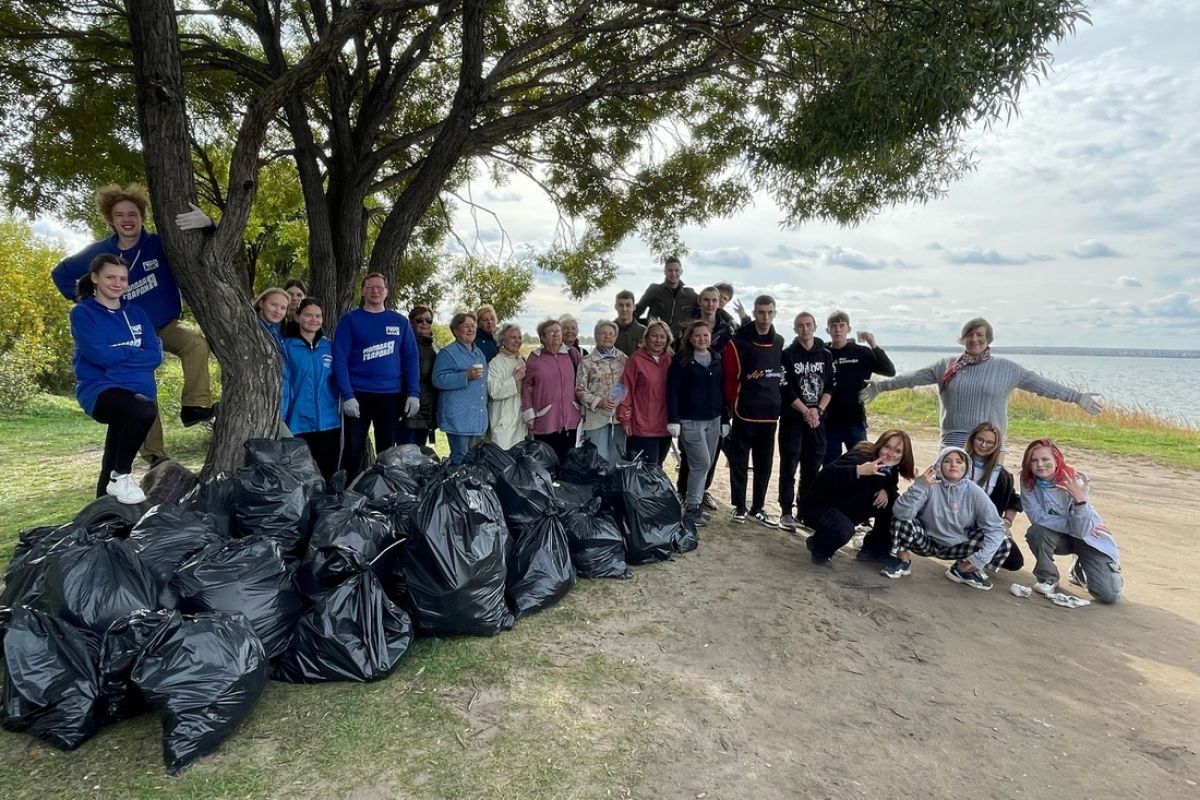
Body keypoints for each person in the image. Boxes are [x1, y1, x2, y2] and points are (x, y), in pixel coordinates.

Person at [51, 184, 215, 464]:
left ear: (142, 216)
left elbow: (208, 251)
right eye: (119, 215)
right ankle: (155, 455)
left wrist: (209, 225)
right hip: (125, 334)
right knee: (142, 389)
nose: (127, 219)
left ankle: (194, 406)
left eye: (133, 213)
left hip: (162, 326)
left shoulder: (158, 244)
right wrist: (89, 303)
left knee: (195, 343)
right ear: (111, 219)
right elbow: (61, 274)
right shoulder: (99, 252)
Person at [861, 317, 1102, 448]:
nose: (975, 339)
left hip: (990, 442)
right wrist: (880, 386)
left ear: (988, 339)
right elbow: (911, 378)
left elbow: (1043, 386)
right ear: (963, 338)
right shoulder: (946, 365)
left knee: (987, 499)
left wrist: (1077, 397)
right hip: (954, 439)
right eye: (970, 334)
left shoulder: (1006, 369)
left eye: (980, 335)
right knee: (951, 497)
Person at [69, 254, 163, 504]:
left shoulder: (138, 314)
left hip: (136, 392)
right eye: (110, 277)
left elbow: (155, 356)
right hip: (100, 390)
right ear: (95, 278)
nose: (117, 283)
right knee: (144, 411)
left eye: (123, 278)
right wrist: (134, 353)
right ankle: (122, 477)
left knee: (112, 456)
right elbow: (98, 355)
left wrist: (118, 356)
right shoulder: (82, 314)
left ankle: (101, 519)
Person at [882, 446, 1013, 591]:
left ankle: (963, 570)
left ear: (967, 466)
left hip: (958, 545)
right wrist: (919, 486)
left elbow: (995, 527)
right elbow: (901, 513)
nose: (953, 465)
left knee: (1003, 542)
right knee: (903, 518)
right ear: (938, 465)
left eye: (959, 461)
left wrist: (981, 559)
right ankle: (902, 560)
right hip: (926, 542)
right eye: (947, 461)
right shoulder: (929, 485)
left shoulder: (975, 492)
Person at [332, 273, 421, 477]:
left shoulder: (399, 322)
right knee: (352, 449)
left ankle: (383, 493)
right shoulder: (350, 320)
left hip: (391, 396)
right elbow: (340, 359)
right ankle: (346, 493)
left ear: (386, 292)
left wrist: (413, 393)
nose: (375, 291)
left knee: (387, 450)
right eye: (370, 287)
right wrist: (347, 395)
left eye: (380, 287)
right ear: (363, 291)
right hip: (358, 395)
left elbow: (410, 359)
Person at [1021, 439, 1122, 604]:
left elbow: (1082, 531)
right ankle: (1048, 578)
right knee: (1036, 531)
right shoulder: (1028, 482)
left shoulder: (1076, 480)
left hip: (1089, 538)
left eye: (1045, 459)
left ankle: (1081, 568)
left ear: (1056, 460)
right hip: (1061, 536)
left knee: (1108, 596)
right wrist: (1072, 525)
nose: (1040, 464)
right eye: (1034, 460)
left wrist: (1080, 501)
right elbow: (1037, 517)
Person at [802, 430, 915, 566]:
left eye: (898, 451)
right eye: (887, 447)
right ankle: (818, 546)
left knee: (894, 503)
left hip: (848, 510)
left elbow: (891, 485)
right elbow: (826, 474)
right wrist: (858, 471)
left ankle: (873, 550)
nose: (891, 454)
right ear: (880, 445)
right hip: (820, 506)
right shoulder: (861, 458)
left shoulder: (891, 469)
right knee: (843, 529)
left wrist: (887, 491)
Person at [722, 295, 785, 526]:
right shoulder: (738, 341)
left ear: (774, 313)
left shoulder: (779, 341)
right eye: (761, 312)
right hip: (744, 410)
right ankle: (739, 506)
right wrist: (728, 408)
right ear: (755, 312)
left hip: (769, 414)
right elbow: (729, 378)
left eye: (769, 312)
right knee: (739, 461)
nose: (765, 317)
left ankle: (757, 507)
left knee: (764, 464)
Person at [675, 286, 734, 508]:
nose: (710, 304)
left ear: (719, 303)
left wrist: (726, 414)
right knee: (692, 455)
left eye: (714, 300)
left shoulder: (727, 330)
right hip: (691, 406)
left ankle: (703, 491)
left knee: (710, 455)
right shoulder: (687, 326)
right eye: (706, 300)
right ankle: (685, 492)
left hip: (715, 404)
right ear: (700, 301)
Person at [777, 311, 834, 533]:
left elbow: (830, 385)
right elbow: (785, 386)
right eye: (800, 325)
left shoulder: (826, 355)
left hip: (818, 421)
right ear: (794, 329)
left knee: (812, 467)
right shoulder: (787, 354)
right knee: (789, 464)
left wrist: (817, 411)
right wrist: (805, 411)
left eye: (808, 324)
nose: (805, 329)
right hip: (793, 420)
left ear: (815, 327)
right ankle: (785, 511)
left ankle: (805, 511)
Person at [668, 320, 725, 527]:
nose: (702, 339)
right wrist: (673, 419)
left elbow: (722, 389)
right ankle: (692, 509)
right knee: (700, 463)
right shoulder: (681, 360)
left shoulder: (716, 358)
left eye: (705, 335)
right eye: (697, 335)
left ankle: (697, 503)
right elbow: (672, 390)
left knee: (707, 464)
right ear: (690, 338)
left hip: (714, 419)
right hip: (690, 420)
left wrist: (725, 419)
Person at [823, 311, 895, 463]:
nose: (837, 330)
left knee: (862, 462)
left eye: (842, 326)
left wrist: (873, 345)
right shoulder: (822, 353)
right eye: (833, 326)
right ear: (827, 330)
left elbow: (889, 371)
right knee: (830, 466)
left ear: (849, 329)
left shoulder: (862, 353)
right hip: (829, 421)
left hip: (855, 420)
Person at [282, 298, 340, 481]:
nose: (313, 319)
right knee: (301, 476)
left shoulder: (329, 347)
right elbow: (284, 384)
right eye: (308, 315)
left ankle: (325, 508)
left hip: (329, 422)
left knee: (327, 472)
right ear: (297, 316)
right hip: (298, 421)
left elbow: (337, 381)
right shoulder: (286, 347)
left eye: (318, 316)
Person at [965, 422, 1025, 571]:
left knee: (1015, 562)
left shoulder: (1001, 475)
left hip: (985, 525)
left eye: (990, 442)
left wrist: (1007, 522)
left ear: (996, 446)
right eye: (980, 440)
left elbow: (1014, 500)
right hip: (955, 521)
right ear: (972, 439)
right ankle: (965, 562)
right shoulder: (957, 462)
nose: (984, 445)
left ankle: (973, 561)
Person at [521, 318, 582, 463]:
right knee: (546, 461)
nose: (556, 334)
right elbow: (527, 387)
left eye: (558, 331)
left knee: (567, 460)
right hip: (545, 417)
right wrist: (529, 414)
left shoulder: (572, 354)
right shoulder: (535, 358)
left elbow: (581, 381)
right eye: (551, 332)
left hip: (570, 417)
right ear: (542, 337)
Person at [433, 312, 489, 464]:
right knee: (460, 456)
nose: (471, 329)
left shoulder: (478, 353)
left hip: (476, 415)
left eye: (473, 326)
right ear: (455, 330)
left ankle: (469, 486)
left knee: (474, 458)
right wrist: (465, 376)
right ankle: (455, 486)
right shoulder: (448, 353)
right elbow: (438, 379)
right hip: (458, 416)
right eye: (466, 326)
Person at [618, 319, 673, 465]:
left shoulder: (671, 360)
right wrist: (625, 418)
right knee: (646, 470)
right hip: (644, 425)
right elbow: (625, 388)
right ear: (646, 337)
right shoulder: (636, 359)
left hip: (666, 425)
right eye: (654, 336)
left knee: (658, 468)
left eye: (662, 336)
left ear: (667, 339)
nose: (658, 340)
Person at [576, 320, 628, 464]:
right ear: (596, 336)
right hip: (596, 419)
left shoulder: (624, 359)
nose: (607, 337)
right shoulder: (586, 362)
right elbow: (580, 391)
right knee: (599, 461)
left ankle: (616, 487)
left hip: (619, 419)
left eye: (611, 334)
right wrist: (599, 402)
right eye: (603, 333)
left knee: (618, 460)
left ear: (616, 337)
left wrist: (628, 410)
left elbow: (631, 386)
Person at [399, 305, 438, 447]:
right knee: (407, 456)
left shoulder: (432, 348)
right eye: (419, 320)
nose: (424, 324)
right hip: (410, 409)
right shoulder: (405, 345)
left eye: (429, 321)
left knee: (420, 455)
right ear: (411, 322)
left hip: (426, 409)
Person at [633, 255, 699, 340]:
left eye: (676, 270)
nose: (673, 274)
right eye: (670, 270)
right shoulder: (655, 290)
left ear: (681, 271)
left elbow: (707, 304)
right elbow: (637, 311)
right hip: (656, 339)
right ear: (665, 272)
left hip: (679, 342)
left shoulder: (690, 294)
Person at [487, 322, 528, 450]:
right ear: (503, 340)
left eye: (519, 337)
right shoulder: (496, 363)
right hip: (504, 420)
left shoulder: (522, 360)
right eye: (513, 337)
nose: (517, 341)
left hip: (522, 421)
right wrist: (515, 378)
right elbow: (493, 391)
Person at [254, 287, 290, 353]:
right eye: (274, 305)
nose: (278, 311)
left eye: (283, 308)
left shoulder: (276, 330)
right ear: (261, 303)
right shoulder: (252, 326)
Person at [613, 290, 646, 356]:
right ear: (616, 307)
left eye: (628, 305)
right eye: (621, 305)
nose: (624, 309)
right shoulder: (609, 330)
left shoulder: (644, 332)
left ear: (634, 307)